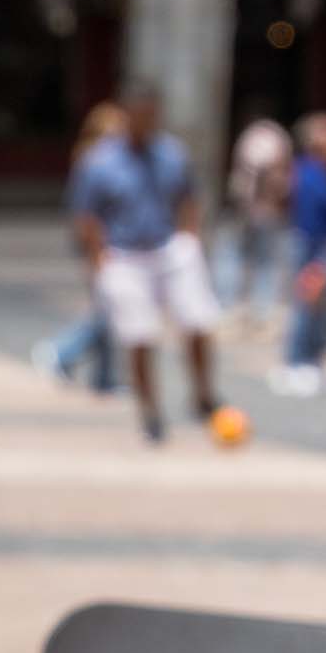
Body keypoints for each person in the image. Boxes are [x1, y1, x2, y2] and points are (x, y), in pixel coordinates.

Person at [68, 79, 247, 447]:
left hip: (167, 248)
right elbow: (86, 216)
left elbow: (188, 197)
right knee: (140, 336)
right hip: (125, 255)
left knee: (199, 320)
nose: (147, 122)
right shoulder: (99, 160)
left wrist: (190, 238)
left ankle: (202, 395)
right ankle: (150, 411)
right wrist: (98, 259)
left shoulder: (171, 153)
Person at [33, 100, 125, 394]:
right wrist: (95, 253)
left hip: (116, 246)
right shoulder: (93, 164)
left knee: (111, 309)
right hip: (100, 247)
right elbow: (85, 217)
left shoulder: (110, 163)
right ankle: (60, 352)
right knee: (108, 311)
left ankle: (104, 377)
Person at [272, 113, 326, 397]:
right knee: (307, 306)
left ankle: (313, 361)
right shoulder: (304, 172)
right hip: (310, 246)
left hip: (324, 246)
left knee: (323, 310)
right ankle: (296, 362)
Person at [223, 109, 294, 335]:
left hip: (250, 209)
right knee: (263, 263)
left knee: (248, 260)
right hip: (264, 210)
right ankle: (259, 312)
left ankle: (237, 309)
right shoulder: (275, 139)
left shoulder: (251, 137)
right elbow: (276, 175)